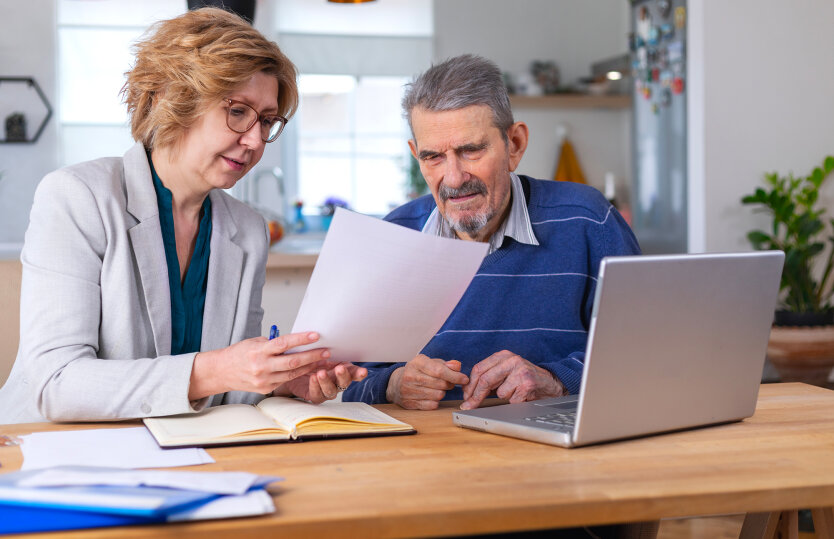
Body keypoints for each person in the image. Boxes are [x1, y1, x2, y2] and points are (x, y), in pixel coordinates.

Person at [0, 7, 365, 424]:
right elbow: (58, 384)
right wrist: (217, 369)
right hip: (52, 452)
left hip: (185, 452)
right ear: (173, 99)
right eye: (239, 111)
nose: (255, 141)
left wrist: (280, 382)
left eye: (266, 121)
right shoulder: (77, 197)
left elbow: (226, 391)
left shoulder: (246, 230)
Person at [342, 54, 641, 411]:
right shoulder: (394, 236)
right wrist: (393, 386)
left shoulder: (590, 221)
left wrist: (557, 380)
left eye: (470, 151)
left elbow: (647, 351)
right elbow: (352, 388)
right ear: (415, 155)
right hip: (427, 456)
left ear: (514, 145)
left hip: (555, 452)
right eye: (433, 157)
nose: (453, 178)